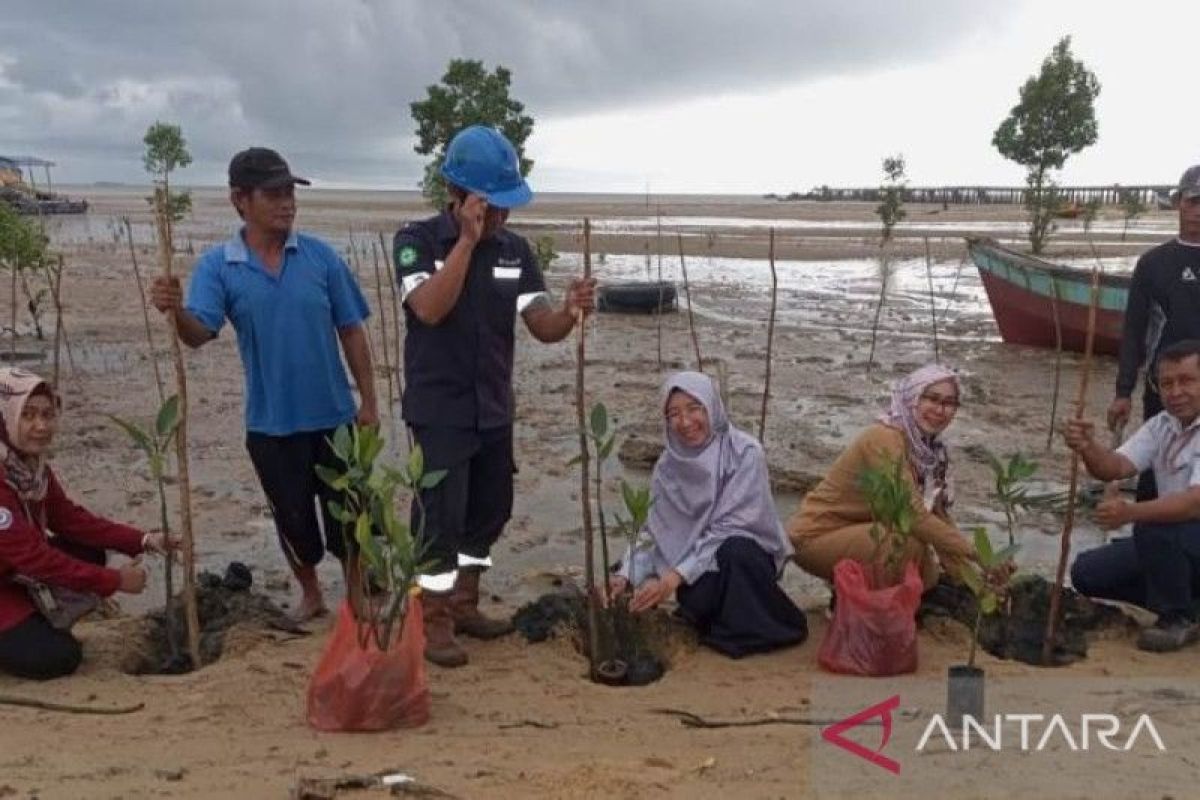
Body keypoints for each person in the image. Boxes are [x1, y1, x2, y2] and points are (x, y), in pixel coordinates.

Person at [393, 125, 595, 667]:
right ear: (458, 196)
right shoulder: (416, 242)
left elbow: (542, 325)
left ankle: (464, 602)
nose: (501, 219)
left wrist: (572, 311)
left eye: (506, 208)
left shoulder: (515, 251)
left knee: (490, 510)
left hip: (492, 408)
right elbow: (430, 309)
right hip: (440, 410)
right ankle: (431, 620)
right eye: (492, 206)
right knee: (439, 517)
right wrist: (465, 241)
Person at [150, 147, 377, 621]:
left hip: (335, 418)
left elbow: (352, 330)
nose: (287, 203)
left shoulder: (320, 257)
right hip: (271, 424)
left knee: (350, 515)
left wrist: (369, 403)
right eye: (273, 193)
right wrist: (175, 312)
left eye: (290, 192)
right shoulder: (219, 266)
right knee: (293, 521)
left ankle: (356, 593)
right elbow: (198, 335)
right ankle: (310, 593)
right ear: (240, 199)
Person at [608, 372, 806, 658]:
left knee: (734, 551)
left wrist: (671, 579)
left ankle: (757, 630)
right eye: (674, 413)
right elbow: (656, 530)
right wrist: (626, 576)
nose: (685, 422)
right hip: (695, 568)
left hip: (743, 562)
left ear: (711, 407)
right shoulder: (667, 466)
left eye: (694, 408)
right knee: (694, 595)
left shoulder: (744, 452)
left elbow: (729, 527)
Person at [0, 368, 174, 679]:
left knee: (88, 550)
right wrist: (114, 581)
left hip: (12, 575)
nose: (40, 426)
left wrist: (143, 539)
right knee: (60, 657)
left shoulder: (27, 466)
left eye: (47, 415)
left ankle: (28, 620)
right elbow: (33, 557)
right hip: (12, 573)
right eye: (27, 415)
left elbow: (69, 518)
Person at [788, 364, 975, 589]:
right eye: (932, 399)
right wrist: (977, 555)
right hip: (813, 539)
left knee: (929, 573)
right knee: (906, 546)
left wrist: (977, 580)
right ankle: (851, 604)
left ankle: (857, 597)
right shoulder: (884, 438)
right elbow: (913, 516)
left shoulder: (930, 452)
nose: (940, 409)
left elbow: (938, 518)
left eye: (949, 403)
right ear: (912, 398)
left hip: (856, 534)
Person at [1066, 339, 1200, 652]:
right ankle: (1188, 600)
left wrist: (1130, 513)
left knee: (1152, 527)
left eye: (1187, 381)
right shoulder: (1161, 426)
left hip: (1187, 533)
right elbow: (1114, 467)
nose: (1176, 392)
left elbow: (1195, 503)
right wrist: (1087, 446)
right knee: (1088, 572)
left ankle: (1177, 617)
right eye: (1167, 383)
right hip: (1177, 543)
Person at [1109, 165, 1200, 501]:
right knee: (1154, 473)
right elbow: (1134, 330)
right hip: (1164, 389)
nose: (1199, 211)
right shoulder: (1153, 263)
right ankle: (1148, 541)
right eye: (1194, 201)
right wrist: (1123, 391)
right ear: (1178, 202)